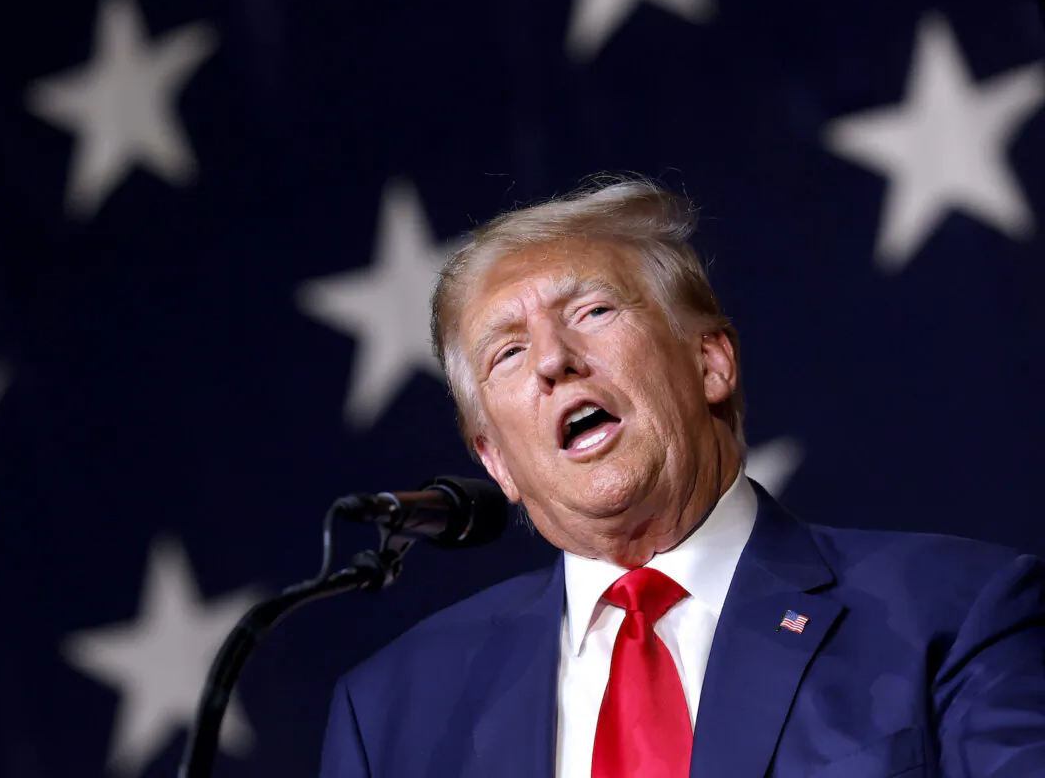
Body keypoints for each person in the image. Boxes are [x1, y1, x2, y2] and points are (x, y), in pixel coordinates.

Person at [319, 178, 1045, 777]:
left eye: (593, 311)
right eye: (506, 353)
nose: (553, 360)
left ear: (710, 363)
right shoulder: (389, 717)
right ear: (495, 462)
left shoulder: (956, 614)